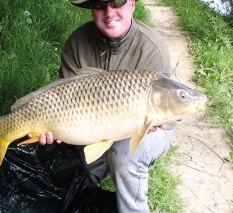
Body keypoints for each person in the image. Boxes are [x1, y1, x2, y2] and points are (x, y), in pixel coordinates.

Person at [31, 0, 177, 212]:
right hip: (90, 124)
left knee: (125, 154)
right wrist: (54, 129)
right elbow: (61, 98)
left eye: (117, 1)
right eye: (100, 4)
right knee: (60, 158)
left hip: (149, 127)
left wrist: (149, 122)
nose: (109, 12)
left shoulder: (151, 48)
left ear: (133, 4)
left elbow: (164, 108)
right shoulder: (77, 42)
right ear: (91, 8)